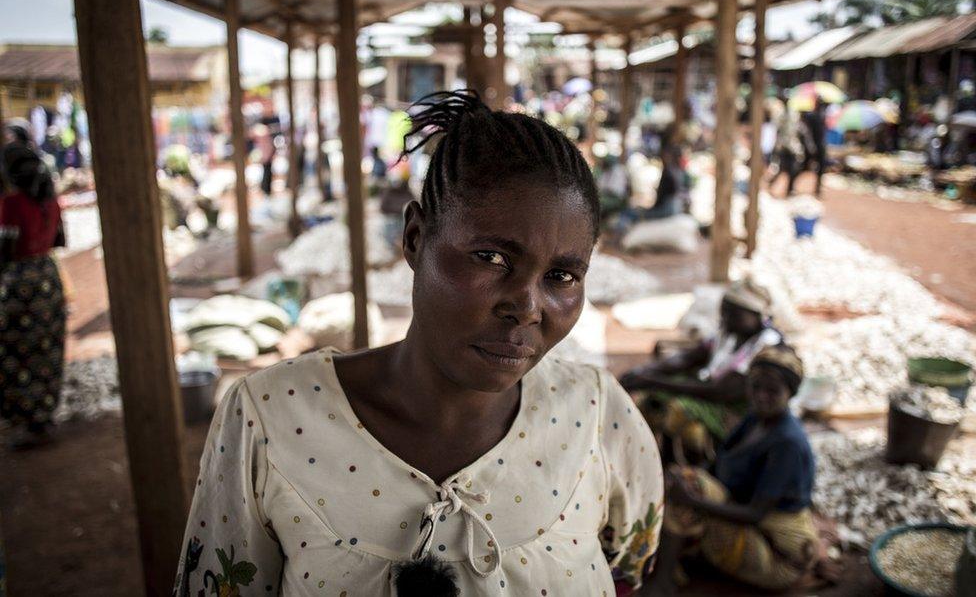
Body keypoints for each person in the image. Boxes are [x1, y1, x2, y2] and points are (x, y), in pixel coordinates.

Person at [174, 90, 664, 597]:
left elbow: (626, 570)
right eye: (491, 258)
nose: (527, 306)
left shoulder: (597, 415)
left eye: (561, 275)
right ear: (415, 238)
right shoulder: (271, 419)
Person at [646, 345, 821, 593]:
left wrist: (693, 499)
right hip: (753, 524)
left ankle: (664, 581)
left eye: (773, 391)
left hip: (778, 555)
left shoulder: (787, 443)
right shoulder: (755, 419)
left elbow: (755, 514)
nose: (762, 396)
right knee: (681, 478)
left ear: (790, 394)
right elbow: (717, 463)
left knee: (690, 491)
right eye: (756, 387)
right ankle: (678, 558)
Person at [621, 278, 782, 462]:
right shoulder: (731, 332)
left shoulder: (766, 347)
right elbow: (688, 357)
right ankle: (656, 458)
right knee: (652, 399)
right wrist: (645, 371)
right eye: (725, 311)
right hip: (712, 393)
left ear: (755, 316)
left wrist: (650, 381)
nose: (725, 317)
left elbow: (720, 391)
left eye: (733, 313)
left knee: (678, 410)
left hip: (739, 410)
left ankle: (692, 464)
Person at [0, 144, 67, 450]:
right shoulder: (51, 200)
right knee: (47, 349)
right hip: (48, 280)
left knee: (17, 353)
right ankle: (44, 413)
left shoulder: (12, 203)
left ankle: (24, 416)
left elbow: (5, 249)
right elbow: (59, 239)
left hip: (19, 285)